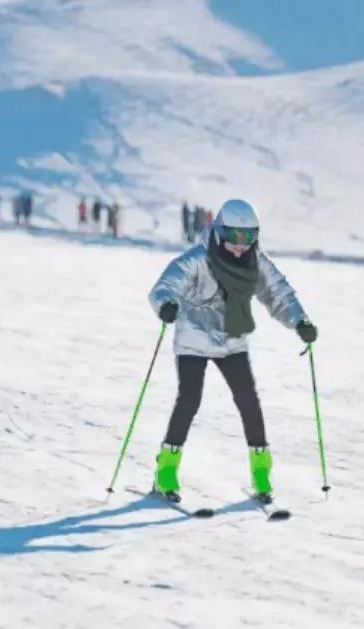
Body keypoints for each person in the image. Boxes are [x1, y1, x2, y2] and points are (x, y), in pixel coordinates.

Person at [148, 199, 317, 505]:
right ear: (220, 232)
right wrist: (166, 304)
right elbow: (165, 286)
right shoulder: (198, 258)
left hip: (232, 339)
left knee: (249, 401)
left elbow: (279, 293)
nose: (241, 246)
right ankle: (166, 470)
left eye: (249, 238)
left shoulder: (256, 262)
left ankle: (261, 471)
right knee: (189, 399)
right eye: (235, 238)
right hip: (194, 338)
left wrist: (300, 320)